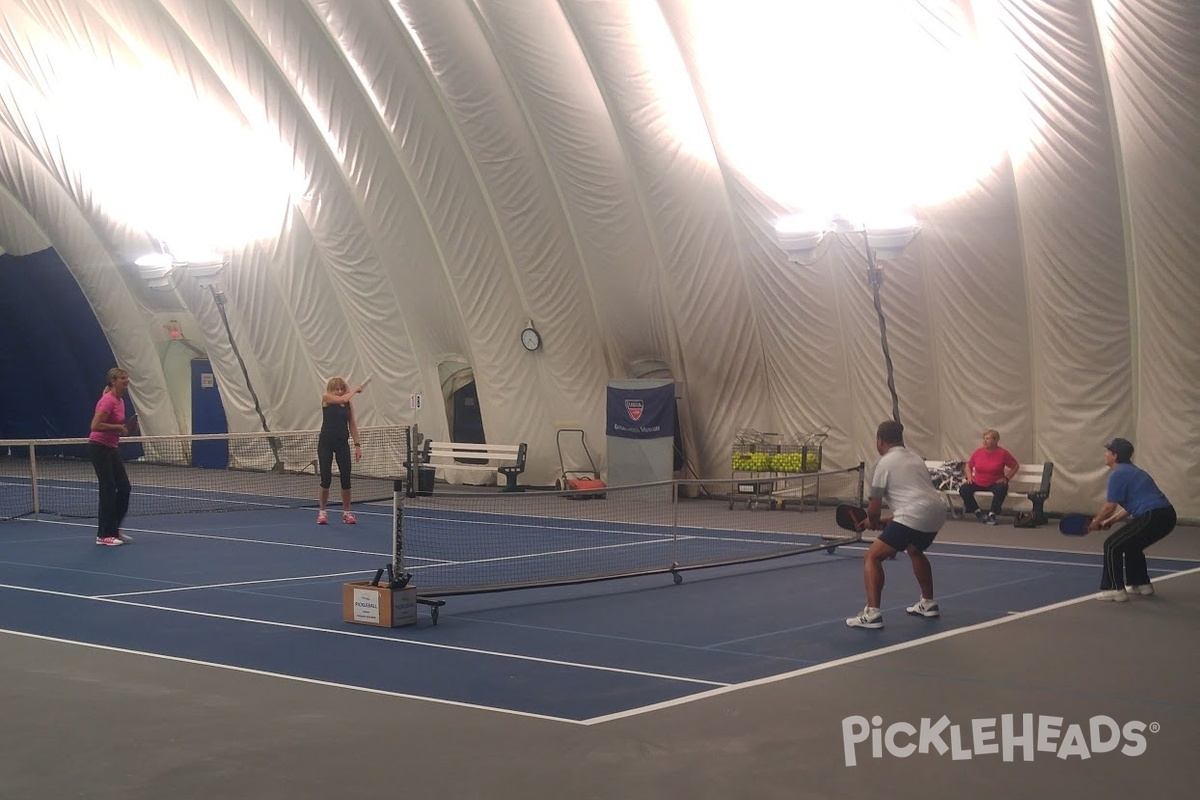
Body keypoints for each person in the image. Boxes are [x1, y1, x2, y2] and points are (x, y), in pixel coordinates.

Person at [847, 421, 948, 629]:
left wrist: (872, 521)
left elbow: (873, 510)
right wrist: (882, 522)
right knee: (914, 549)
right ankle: (928, 603)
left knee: (872, 556)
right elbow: (917, 502)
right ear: (901, 439)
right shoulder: (916, 459)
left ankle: (872, 614)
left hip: (914, 515)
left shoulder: (883, 464)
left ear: (879, 440)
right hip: (937, 512)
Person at [1088, 438, 1176, 602]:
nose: (1105, 454)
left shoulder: (1118, 474)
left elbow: (1109, 506)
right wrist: (1111, 521)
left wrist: (1095, 521)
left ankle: (1114, 589)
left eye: (1108, 451)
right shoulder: (1134, 471)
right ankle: (1141, 584)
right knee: (1131, 545)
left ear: (1115, 456)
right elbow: (1131, 506)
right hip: (1167, 516)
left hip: (1152, 515)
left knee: (1111, 545)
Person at [89, 367, 138, 546]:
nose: (126, 380)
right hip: (99, 447)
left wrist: (127, 429)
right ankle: (103, 535)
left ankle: (114, 528)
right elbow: (95, 425)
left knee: (124, 487)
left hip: (111, 447)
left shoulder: (120, 401)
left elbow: (120, 429)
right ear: (113, 381)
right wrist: (118, 428)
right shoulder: (107, 401)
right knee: (108, 489)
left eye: (127, 377)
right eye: (122, 378)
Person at [317, 376, 364, 525]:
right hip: (326, 443)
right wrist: (355, 390)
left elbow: (353, 425)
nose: (339, 391)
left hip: (342, 443)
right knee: (326, 479)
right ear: (331, 390)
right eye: (336, 389)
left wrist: (357, 445)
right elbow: (342, 400)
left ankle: (346, 512)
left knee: (346, 479)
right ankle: (322, 512)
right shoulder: (326, 398)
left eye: (341, 388)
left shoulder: (348, 404)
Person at [959, 429, 1020, 525]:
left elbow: (1015, 466)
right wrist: (969, 477)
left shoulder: (1003, 453)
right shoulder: (978, 452)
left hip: (994, 483)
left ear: (995, 440)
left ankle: (992, 514)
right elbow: (968, 465)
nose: (984, 441)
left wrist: (1006, 478)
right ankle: (978, 513)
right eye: (984, 438)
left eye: (987, 439)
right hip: (978, 482)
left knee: (1002, 488)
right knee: (964, 489)